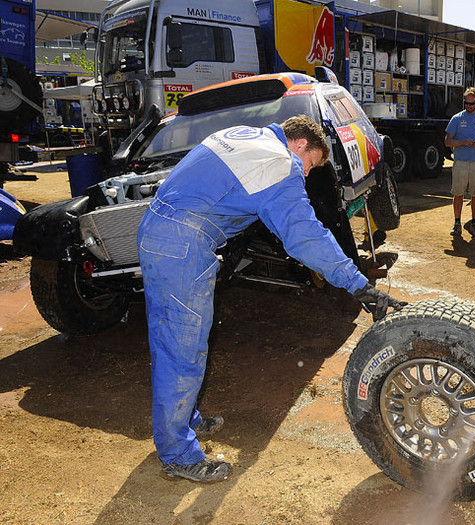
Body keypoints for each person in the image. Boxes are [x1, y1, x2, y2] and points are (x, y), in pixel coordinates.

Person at [137, 115, 406, 483]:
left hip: (161, 229)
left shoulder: (241, 132)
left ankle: (186, 420)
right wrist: (358, 284)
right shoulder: (281, 161)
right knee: (182, 347)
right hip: (182, 243)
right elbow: (303, 235)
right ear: (299, 146)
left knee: (178, 337)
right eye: (310, 164)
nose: (306, 175)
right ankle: (177, 453)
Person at [444, 87, 475, 237]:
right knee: (458, 193)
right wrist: (462, 143)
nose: (469, 106)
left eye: (472, 104)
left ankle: (474, 222)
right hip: (460, 162)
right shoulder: (457, 118)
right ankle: (457, 222)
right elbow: (447, 142)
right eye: (466, 103)